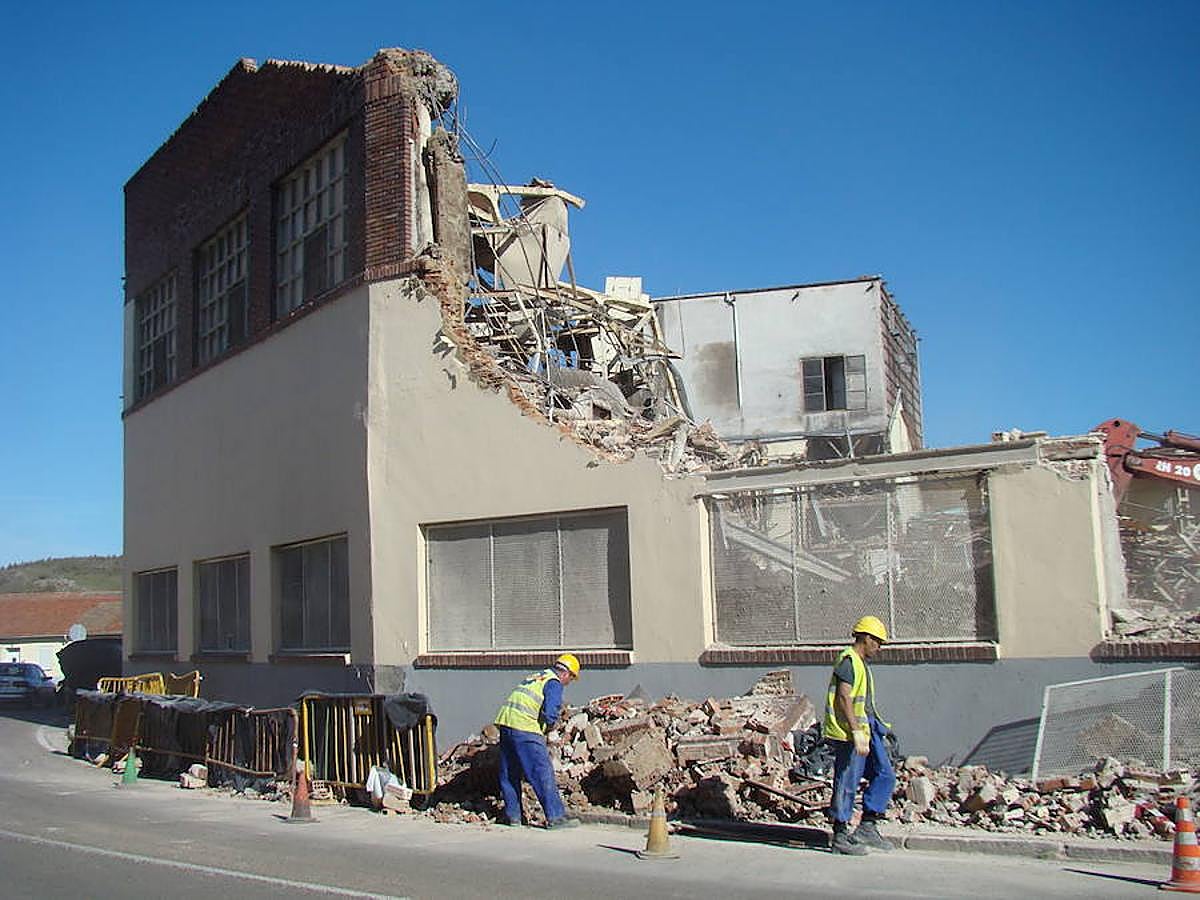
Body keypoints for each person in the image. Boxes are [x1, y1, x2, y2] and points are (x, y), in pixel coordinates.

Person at [822, 615, 896, 855]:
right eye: (878, 642)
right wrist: (855, 730)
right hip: (850, 732)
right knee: (847, 780)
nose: (879, 647)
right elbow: (843, 697)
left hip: (868, 729)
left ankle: (868, 825)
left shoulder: (861, 662)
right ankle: (840, 834)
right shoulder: (848, 661)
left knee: (885, 773)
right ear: (866, 638)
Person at [493, 652, 582, 828]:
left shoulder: (537, 676)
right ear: (566, 674)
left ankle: (513, 816)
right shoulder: (554, 683)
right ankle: (555, 817)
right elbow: (550, 712)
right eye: (570, 679)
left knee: (510, 772)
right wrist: (550, 728)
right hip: (525, 728)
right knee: (541, 771)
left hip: (506, 724)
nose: (568, 683)